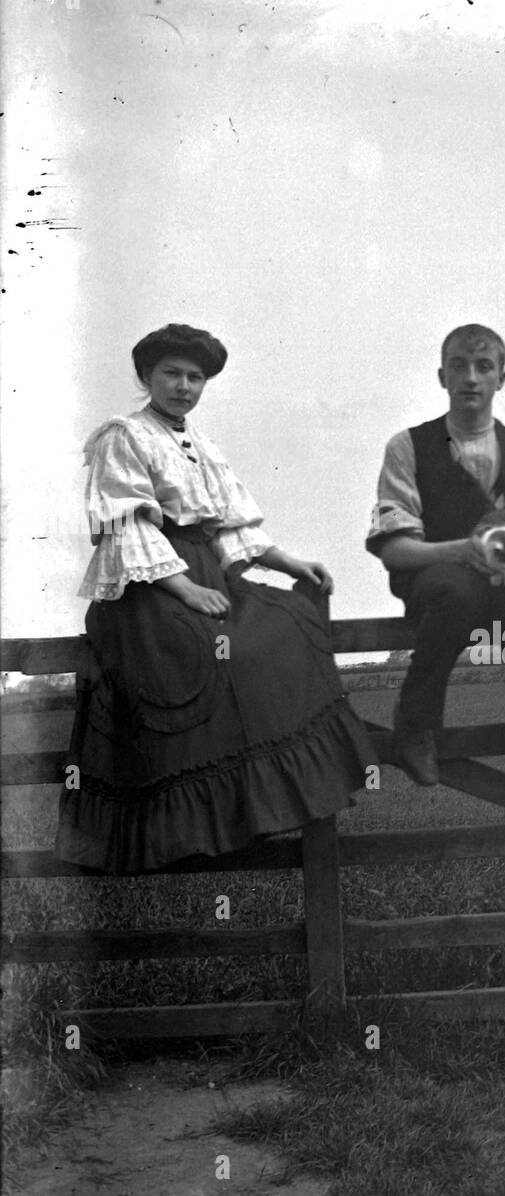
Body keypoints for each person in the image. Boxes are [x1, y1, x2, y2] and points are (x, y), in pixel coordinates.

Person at [56, 323, 375, 874]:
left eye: (195, 377)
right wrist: (184, 587)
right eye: (171, 374)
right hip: (145, 590)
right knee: (211, 655)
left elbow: (229, 527)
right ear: (146, 376)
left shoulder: (199, 444)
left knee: (288, 620)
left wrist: (291, 563)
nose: (183, 386)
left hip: (205, 573)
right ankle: (195, 823)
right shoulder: (123, 436)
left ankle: (257, 807)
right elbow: (128, 527)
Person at [367, 323, 505, 786]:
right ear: (442, 376)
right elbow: (395, 551)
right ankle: (415, 723)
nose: (471, 378)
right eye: (459, 366)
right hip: (436, 574)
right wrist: (462, 550)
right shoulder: (408, 447)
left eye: (484, 367)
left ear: (501, 378)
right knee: (456, 593)